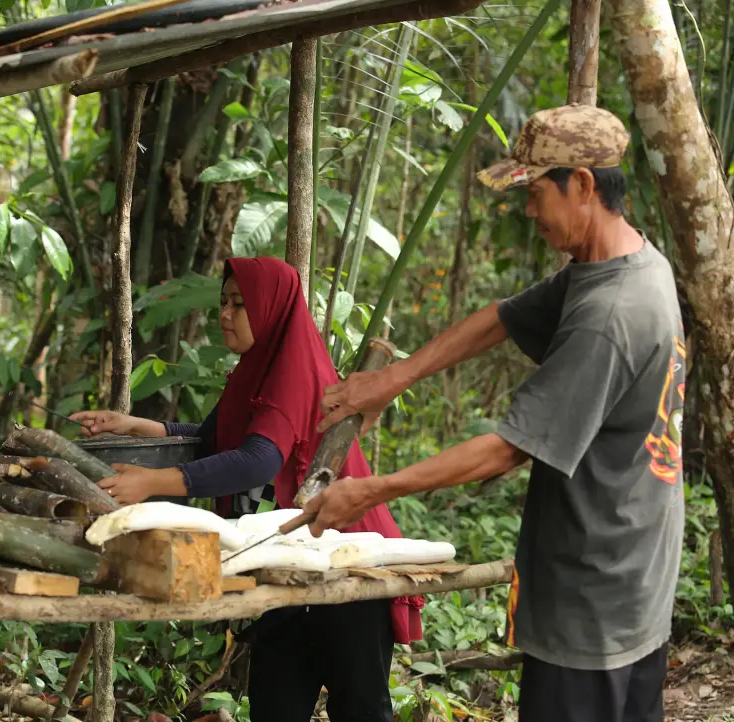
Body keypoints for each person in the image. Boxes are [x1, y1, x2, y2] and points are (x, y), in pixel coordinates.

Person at [306, 104, 684, 722]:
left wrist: (371, 490)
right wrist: (390, 381)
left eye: (535, 194)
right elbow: (505, 317)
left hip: (594, 594)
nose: (529, 212)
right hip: (630, 571)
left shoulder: (610, 315)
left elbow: (509, 448)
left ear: (582, 185)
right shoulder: (623, 264)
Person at [72, 256, 422, 722]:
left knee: (359, 710)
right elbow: (217, 438)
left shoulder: (292, 372)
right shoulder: (254, 371)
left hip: (347, 564)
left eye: (239, 304)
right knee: (276, 706)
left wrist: (152, 482)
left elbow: (259, 459)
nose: (225, 313)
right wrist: (134, 425)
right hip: (289, 560)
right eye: (223, 302)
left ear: (271, 307)